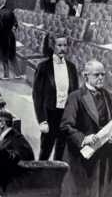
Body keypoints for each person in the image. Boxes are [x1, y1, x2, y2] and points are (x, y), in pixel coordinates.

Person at [60, 60, 112, 197]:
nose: (101, 78)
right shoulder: (75, 97)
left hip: (105, 159)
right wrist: (84, 138)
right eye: (96, 75)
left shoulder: (111, 99)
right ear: (85, 76)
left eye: (103, 74)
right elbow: (65, 126)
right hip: (81, 157)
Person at [33, 33, 79, 161]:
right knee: (45, 151)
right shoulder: (43, 67)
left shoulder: (72, 68)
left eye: (65, 45)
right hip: (50, 115)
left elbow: (75, 95)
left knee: (61, 152)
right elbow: (37, 96)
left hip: (65, 116)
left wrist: (74, 116)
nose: (63, 48)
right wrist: (42, 120)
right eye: (59, 45)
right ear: (53, 46)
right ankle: (40, 176)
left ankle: (56, 178)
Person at [0, 0, 21, 80]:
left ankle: (6, 76)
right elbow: (16, 23)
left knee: (4, 57)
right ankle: (18, 74)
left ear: (0, 3)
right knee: (12, 56)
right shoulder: (10, 11)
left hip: (3, 37)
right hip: (11, 36)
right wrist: (13, 28)